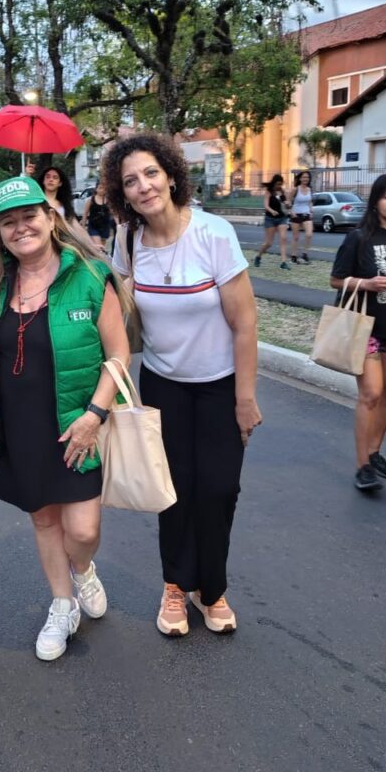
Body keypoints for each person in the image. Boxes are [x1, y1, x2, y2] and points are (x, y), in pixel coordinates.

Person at [104, 133, 262, 637]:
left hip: (220, 386)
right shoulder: (128, 241)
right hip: (163, 386)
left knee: (219, 489)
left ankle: (210, 589)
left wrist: (245, 399)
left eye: (151, 173)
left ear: (171, 176)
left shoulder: (214, 233)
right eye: (131, 181)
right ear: (123, 194)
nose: (144, 186)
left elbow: (245, 324)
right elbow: (118, 311)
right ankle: (175, 584)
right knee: (172, 491)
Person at [0, 175, 129, 661]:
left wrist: (95, 414)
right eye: (8, 222)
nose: (20, 228)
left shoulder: (90, 276)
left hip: (75, 424)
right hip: (20, 427)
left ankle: (83, 569)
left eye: (29, 216)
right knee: (44, 521)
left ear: (50, 218)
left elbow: (119, 354)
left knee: (82, 530)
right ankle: (62, 604)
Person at [331, 175, 386, 491]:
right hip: (365, 327)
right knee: (371, 392)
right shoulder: (359, 238)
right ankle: (363, 467)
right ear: (375, 202)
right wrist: (366, 284)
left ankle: (374, 451)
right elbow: (336, 279)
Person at [253, 174, 291, 270]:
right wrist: (272, 211)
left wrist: (288, 204)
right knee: (269, 243)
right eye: (278, 184)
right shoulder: (269, 192)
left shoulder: (282, 192)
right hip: (270, 219)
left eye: (281, 184)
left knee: (283, 238)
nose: (279, 186)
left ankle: (283, 262)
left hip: (282, 218)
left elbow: (287, 205)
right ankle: (258, 256)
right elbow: (266, 205)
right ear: (274, 183)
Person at [288, 170, 314, 264]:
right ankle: (293, 256)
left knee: (309, 234)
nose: (305, 179)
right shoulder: (295, 189)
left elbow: (310, 202)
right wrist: (291, 212)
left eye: (307, 177)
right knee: (296, 237)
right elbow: (288, 202)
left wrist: (311, 210)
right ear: (300, 178)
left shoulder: (309, 189)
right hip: (296, 214)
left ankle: (304, 255)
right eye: (303, 177)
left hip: (306, 214)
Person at [82, 181, 114, 252]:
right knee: (99, 246)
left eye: (104, 188)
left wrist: (117, 223)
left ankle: (98, 256)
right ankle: (99, 256)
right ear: (96, 189)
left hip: (105, 226)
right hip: (93, 226)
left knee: (101, 246)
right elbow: (85, 213)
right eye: (100, 188)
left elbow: (113, 212)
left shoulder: (108, 200)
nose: (102, 190)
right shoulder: (91, 200)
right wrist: (83, 227)